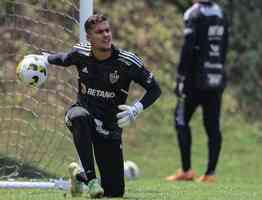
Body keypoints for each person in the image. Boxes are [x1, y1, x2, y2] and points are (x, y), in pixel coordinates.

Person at [26, 13, 161, 198]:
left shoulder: (127, 61)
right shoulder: (81, 53)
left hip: (109, 128)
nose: (106, 35)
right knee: (79, 116)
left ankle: (78, 176)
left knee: (115, 193)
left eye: (107, 30)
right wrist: (45, 59)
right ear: (89, 37)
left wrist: (135, 110)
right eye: (99, 32)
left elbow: (155, 89)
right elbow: (64, 59)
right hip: (82, 116)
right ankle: (90, 180)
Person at [166, 0, 229, 183]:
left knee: (181, 120)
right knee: (213, 126)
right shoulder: (221, 14)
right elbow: (224, 46)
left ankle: (186, 170)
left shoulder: (193, 13)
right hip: (215, 78)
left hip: (194, 80)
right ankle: (210, 173)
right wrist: (219, 70)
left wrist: (180, 76)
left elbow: (188, 47)